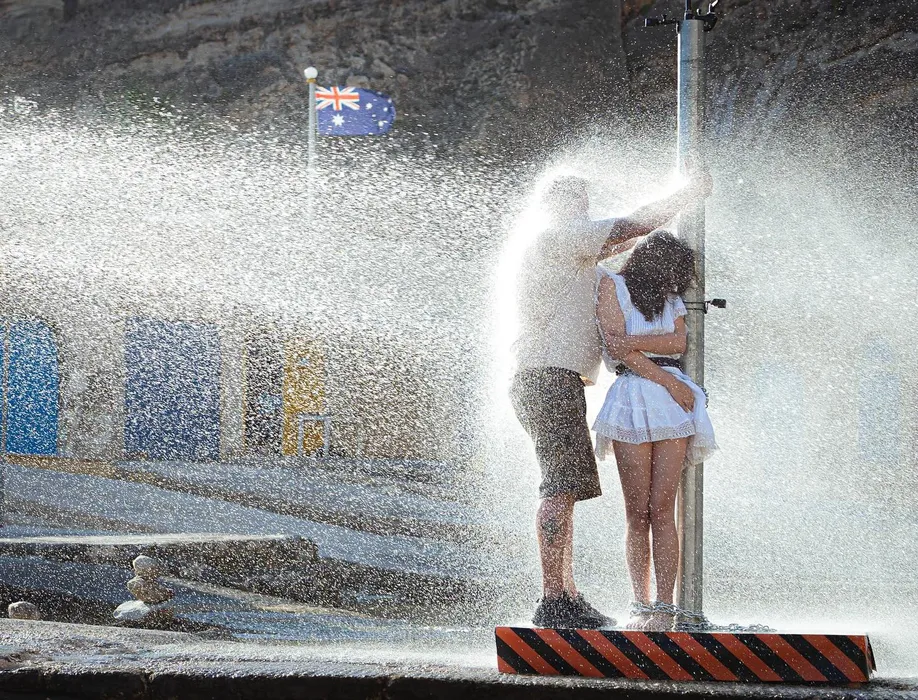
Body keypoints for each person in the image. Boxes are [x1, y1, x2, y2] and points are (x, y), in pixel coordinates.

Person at [509, 170, 713, 629]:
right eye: (577, 201)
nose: (584, 208)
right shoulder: (559, 236)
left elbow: (628, 253)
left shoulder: (576, 258)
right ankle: (554, 599)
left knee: (564, 487)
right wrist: (688, 194)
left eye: (584, 200)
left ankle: (566, 595)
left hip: (549, 378)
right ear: (558, 206)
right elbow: (634, 226)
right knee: (559, 486)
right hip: (548, 377)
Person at [593, 230, 717, 631]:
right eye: (671, 269)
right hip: (634, 396)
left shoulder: (670, 296)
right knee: (637, 511)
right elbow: (616, 351)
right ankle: (640, 603)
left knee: (663, 508)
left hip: (669, 400)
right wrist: (666, 377)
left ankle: (665, 606)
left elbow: (677, 342)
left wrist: (632, 341)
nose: (675, 279)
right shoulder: (612, 286)